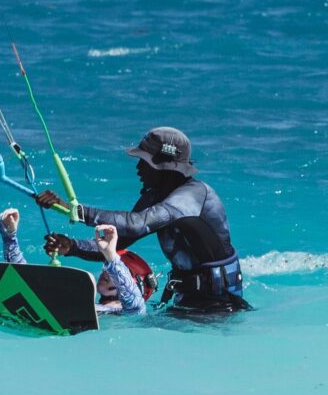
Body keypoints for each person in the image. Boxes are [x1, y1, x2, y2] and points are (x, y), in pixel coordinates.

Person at [35, 126, 249, 313]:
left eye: (144, 161)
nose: (138, 168)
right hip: (187, 302)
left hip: (220, 307)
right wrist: (72, 247)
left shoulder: (192, 195)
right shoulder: (156, 197)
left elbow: (135, 224)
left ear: (164, 166)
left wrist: (74, 210)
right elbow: (118, 242)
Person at [0, 208, 148, 315]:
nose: (106, 272)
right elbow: (24, 284)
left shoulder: (133, 312)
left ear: (137, 285)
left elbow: (135, 304)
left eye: (113, 269)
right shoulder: (84, 305)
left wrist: (111, 256)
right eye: (107, 267)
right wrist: (10, 237)